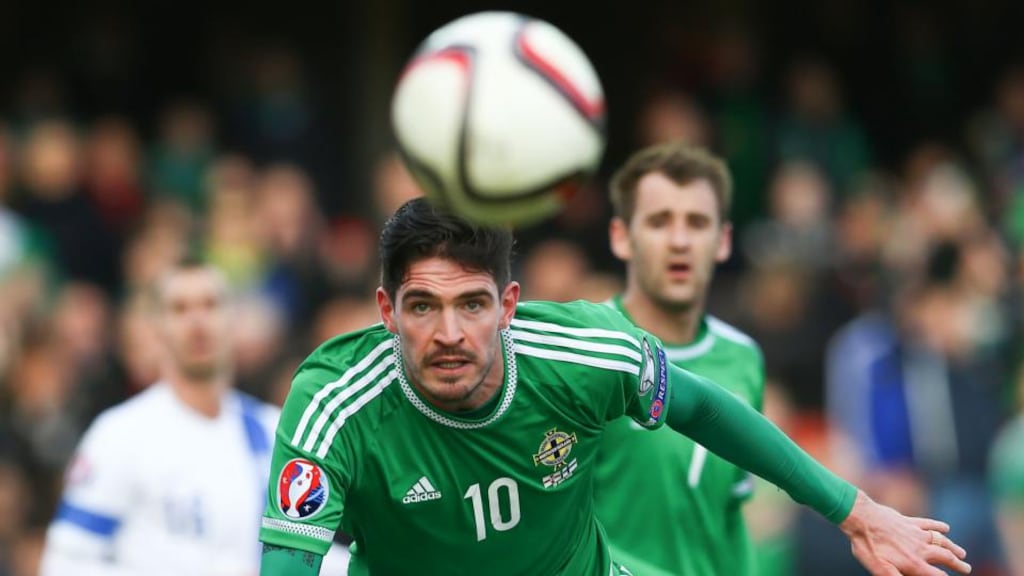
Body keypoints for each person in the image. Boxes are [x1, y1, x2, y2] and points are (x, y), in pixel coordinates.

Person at [259, 197, 971, 576]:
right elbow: (289, 563)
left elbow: (703, 408)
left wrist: (853, 510)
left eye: (471, 305)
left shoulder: (582, 353)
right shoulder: (334, 403)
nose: (449, 332)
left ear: (508, 306)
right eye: (422, 307)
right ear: (387, 312)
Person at [39, 262, 282, 575]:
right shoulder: (120, 435)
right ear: (157, 326)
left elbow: (307, 555)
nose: (198, 322)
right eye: (180, 309)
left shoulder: (272, 430)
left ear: (233, 318)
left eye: (210, 305)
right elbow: (63, 564)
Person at [592, 142, 764, 575]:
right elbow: (557, 527)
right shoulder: (588, 348)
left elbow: (729, 517)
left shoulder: (744, 358)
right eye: (659, 221)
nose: (680, 241)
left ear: (723, 241)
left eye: (698, 222)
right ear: (620, 237)